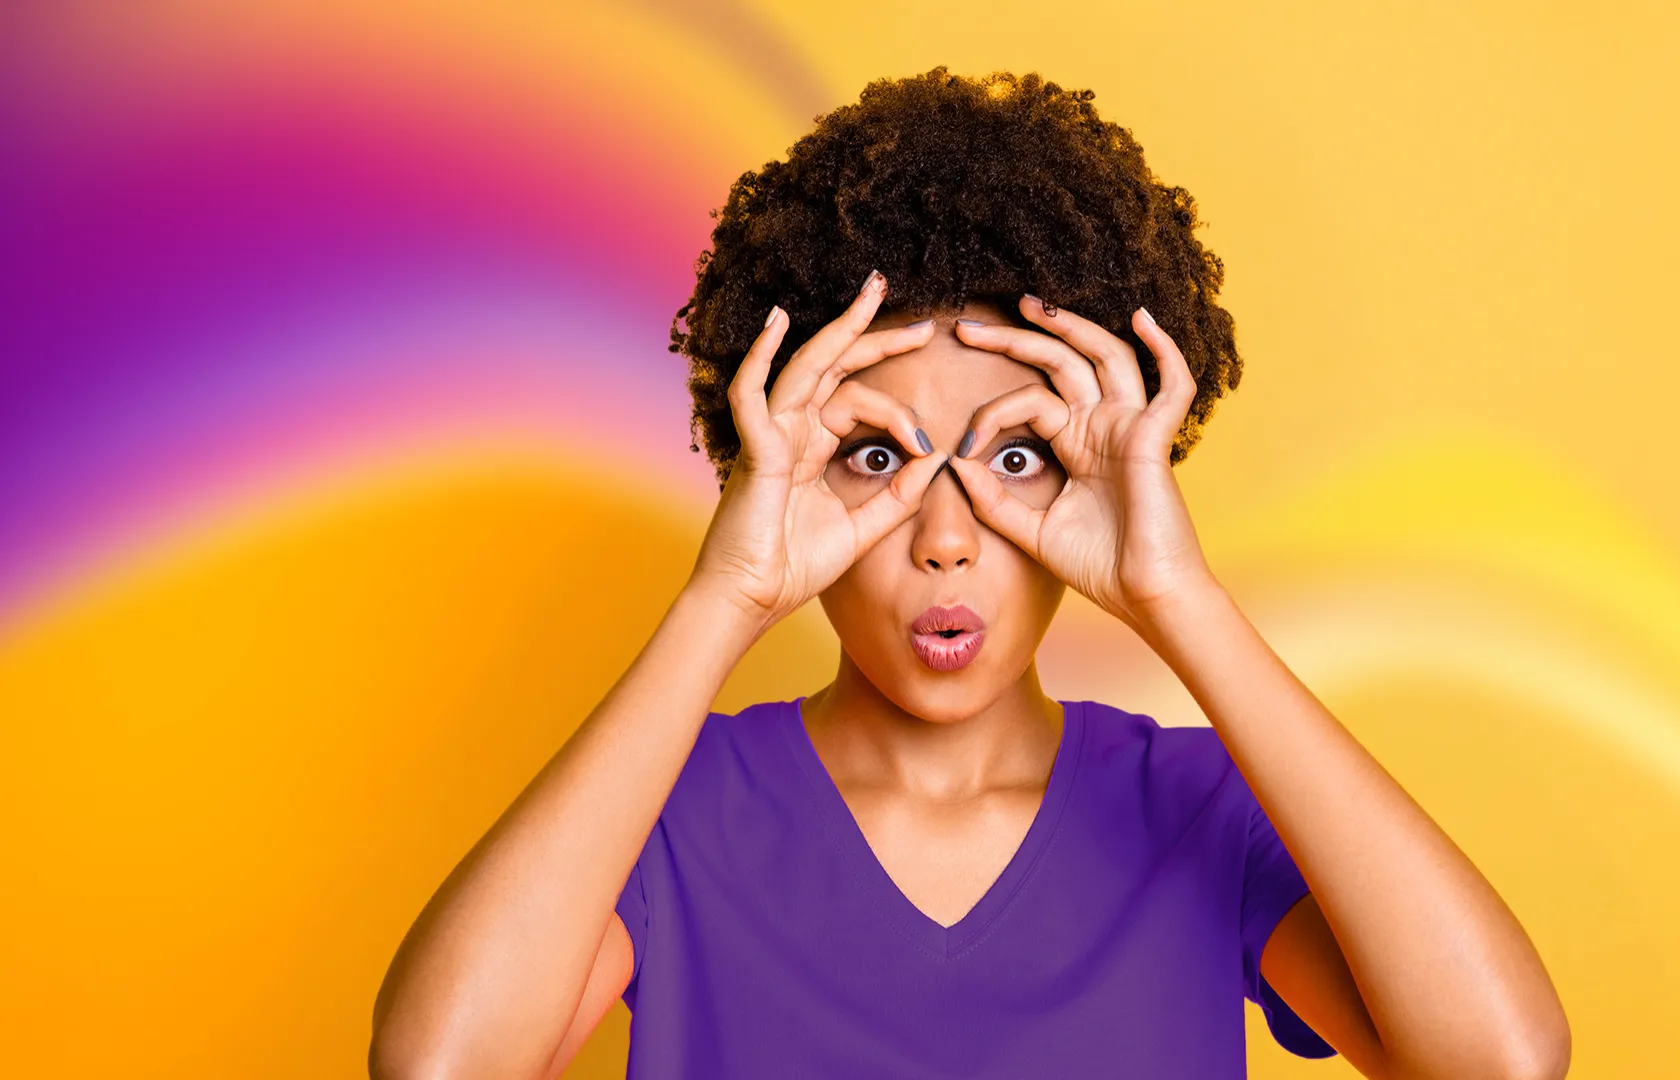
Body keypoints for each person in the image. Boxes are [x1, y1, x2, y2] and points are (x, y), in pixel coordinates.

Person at [369, 69, 1571, 1080]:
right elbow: (440, 1063)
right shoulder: (672, 811)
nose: (945, 535)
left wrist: (1182, 601)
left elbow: (1501, 1060)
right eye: (878, 454)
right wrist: (719, 602)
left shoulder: (1201, 804)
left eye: (1015, 455)